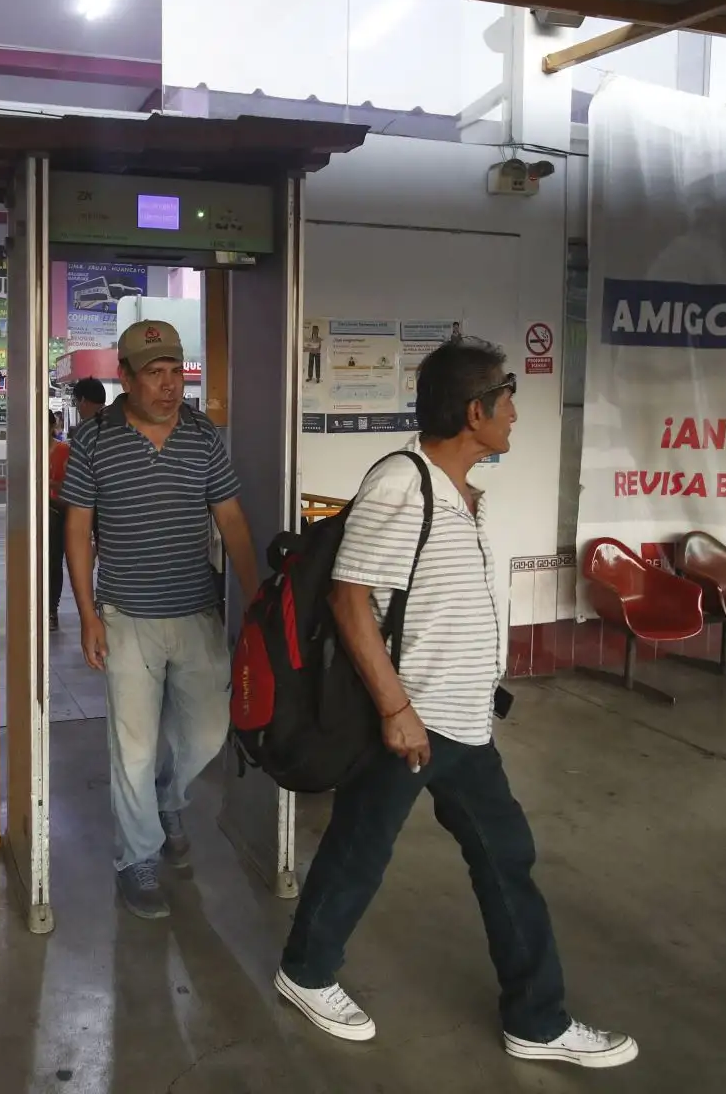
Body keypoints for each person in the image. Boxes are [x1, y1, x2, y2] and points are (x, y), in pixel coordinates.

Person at [273, 338, 637, 1069]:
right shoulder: (401, 484)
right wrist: (395, 710)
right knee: (360, 850)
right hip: (412, 720)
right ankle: (307, 972)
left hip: (464, 722)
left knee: (504, 857)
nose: (514, 415)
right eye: (508, 400)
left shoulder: (456, 489)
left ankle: (536, 1020)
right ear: (476, 411)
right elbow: (349, 602)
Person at [61, 320, 259, 920]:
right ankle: (137, 858)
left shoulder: (202, 436)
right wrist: (87, 615)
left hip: (196, 609)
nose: (170, 386)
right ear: (125, 377)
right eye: (155, 374)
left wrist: (256, 599)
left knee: (207, 734)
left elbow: (230, 518)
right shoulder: (93, 440)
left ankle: (169, 800)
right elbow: (77, 529)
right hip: (126, 615)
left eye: (176, 372)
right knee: (133, 746)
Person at [47, 410, 70, 632]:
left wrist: (50, 485)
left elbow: (71, 485)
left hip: (55, 510)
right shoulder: (26, 451)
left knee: (53, 561)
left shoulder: (64, 451)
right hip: (32, 512)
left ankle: (51, 608)